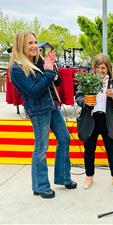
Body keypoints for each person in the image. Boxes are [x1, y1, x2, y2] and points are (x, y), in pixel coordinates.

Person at [10, 31, 77, 199]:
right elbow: (34, 91)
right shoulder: (17, 68)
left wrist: (51, 68)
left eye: (35, 42)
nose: (34, 46)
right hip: (38, 110)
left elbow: (58, 81)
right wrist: (47, 72)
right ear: (21, 45)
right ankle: (40, 186)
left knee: (64, 138)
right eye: (30, 43)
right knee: (41, 148)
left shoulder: (38, 60)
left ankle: (63, 178)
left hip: (51, 105)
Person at [75, 53, 113, 189]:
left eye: (103, 68)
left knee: (111, 149)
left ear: (108, 68)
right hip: (91, 119)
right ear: (94, 68)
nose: (101, 71)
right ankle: (89, 176)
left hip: (107, 120)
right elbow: (78, 97)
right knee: (89, 149)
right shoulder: (87, 80)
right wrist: (85, 101)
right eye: (98, 68)